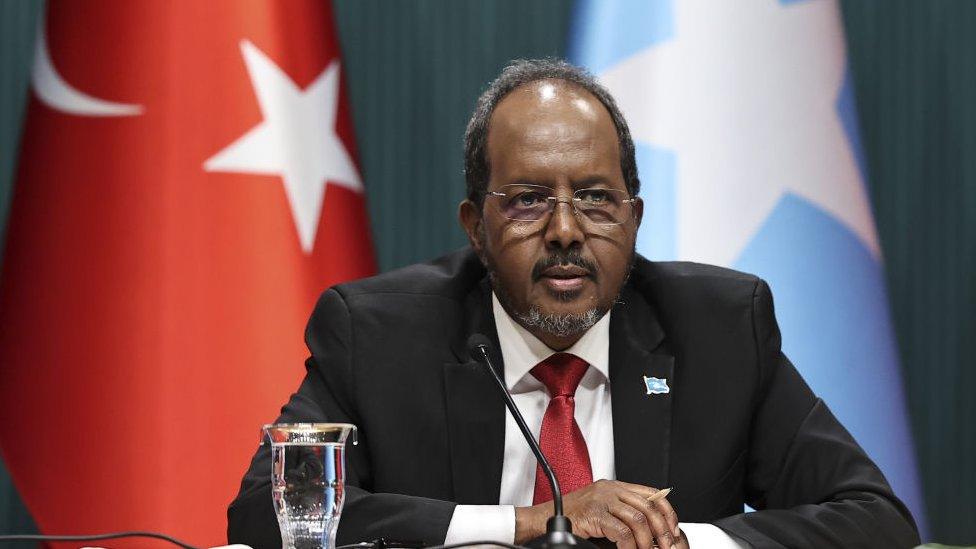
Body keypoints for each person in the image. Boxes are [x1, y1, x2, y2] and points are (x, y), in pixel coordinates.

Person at [228, 59, 920, 549]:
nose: (564, 230)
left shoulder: (720, 327)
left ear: (635, 216)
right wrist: (531, 524)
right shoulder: (379, 333)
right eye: (528, 200)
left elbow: (874, 518)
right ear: (476, 225)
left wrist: (672, 540)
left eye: (595, 198)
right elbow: (270, 513)